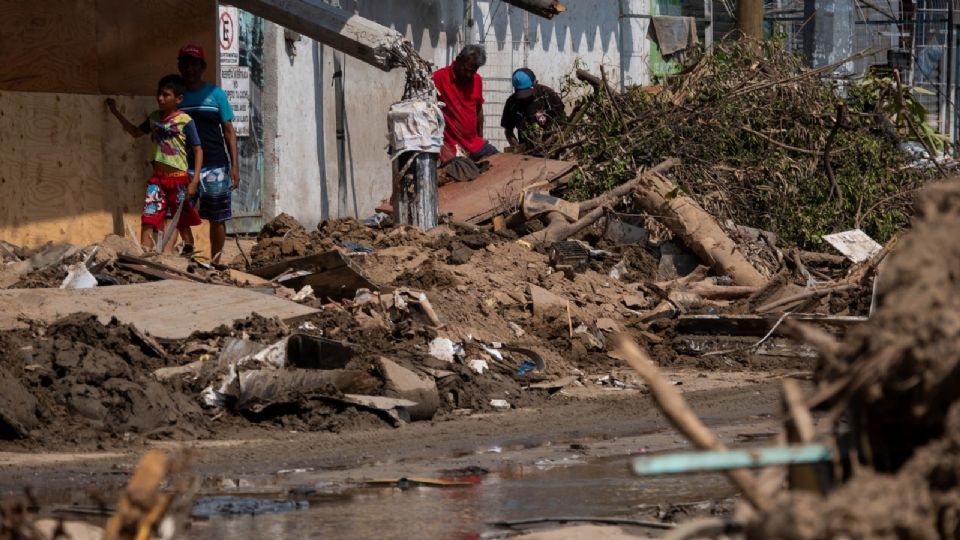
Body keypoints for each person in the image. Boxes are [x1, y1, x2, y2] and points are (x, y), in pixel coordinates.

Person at [106, 75, 203, 252]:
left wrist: (194, 180)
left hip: (179, 180)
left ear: (178, 99)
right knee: (149, 217)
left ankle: (186, 253)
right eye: (159, 94)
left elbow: (198, 149)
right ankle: (144, 258)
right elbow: (135, 132)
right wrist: (115, 112)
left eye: (166, 95)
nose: (160, 98)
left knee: (179, 220)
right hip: (158, 180)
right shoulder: (154, 118)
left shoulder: (185, 120)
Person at [177, 44, 240, 263]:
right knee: (180, 213)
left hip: (216, 166)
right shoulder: (177, 97)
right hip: (185, 166)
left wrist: (234, 166)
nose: (189, 68)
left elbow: (229, 131)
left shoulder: (216, 94)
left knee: (217, 217)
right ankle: (189, 252)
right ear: (180, 67)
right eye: (185, 63)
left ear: (202, 67)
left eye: (194, 64)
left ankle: (216, 261)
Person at [432, 44, 498, 163]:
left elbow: (478, 110)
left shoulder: (476, 80)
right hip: (451, 147)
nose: (469, 75)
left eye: (473, 72)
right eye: (466, 70)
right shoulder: (439, 78)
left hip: (474, 144)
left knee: (500, 164)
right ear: (458, 60)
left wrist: (480, 138)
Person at [501, 68, 565, 151]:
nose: (525, 98)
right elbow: (508, 131)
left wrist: (551, 141)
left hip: (552, 149)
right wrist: (518, 148)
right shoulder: (512, 103)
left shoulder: (548, 95)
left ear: (535, 83)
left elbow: (563, 123)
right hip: (528, 152)